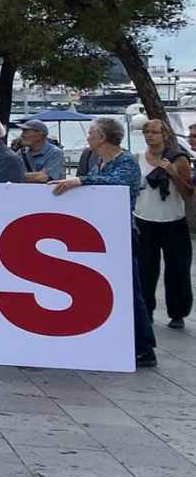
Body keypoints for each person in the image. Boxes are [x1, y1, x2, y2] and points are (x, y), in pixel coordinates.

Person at [53, 117, 155, 367]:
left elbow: (117, 184)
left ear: (103, 138)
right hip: (103, 234)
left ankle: (144, 346)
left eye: (91, 133)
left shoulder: (126, 161)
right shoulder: (99, 160)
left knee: (131, 289)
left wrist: (81, 181)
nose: (87, 137)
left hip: (121, 232)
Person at [134, 119, 192, 330]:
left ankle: (177, 312)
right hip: (145, 220)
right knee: (145, 270)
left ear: (165, 135)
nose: (150, 136)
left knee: (178, 269)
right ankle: (145, 311)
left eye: (154, 132)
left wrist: (173, 174)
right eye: (146, 132)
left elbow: (188, 193)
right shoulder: (137, 158)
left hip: (173, 221)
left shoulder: (178, 159)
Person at [18, 119, 68, 183]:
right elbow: (11, 173)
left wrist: (18, 176)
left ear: (39, 135)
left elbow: (43, 177)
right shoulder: (22, 152)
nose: (21, 135)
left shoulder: (55, 153)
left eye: (25, 131)